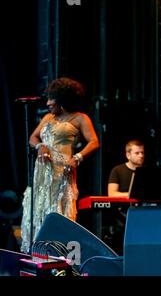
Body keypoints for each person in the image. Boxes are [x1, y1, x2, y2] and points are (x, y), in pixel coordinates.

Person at [21, 77, 99, 253]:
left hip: (62, 172)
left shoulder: (79, 118)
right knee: (39, 208)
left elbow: (94, 142)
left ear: (63, 100)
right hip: (42, 172)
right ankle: (38, 253)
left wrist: (77, 157)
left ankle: (58, 255)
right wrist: (40, 146)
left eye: (51, 99)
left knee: (58, 209)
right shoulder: (48, 118)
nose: (47, 103)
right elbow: (32, 138)